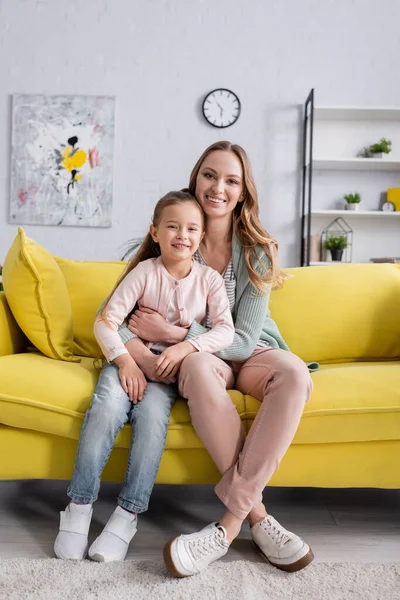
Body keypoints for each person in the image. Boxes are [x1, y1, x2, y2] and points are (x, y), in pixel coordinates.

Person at [120, 142, 316, 577]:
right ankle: (259, 518)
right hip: (202, 360)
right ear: (196, 178)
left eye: (231, 180)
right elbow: (123, 315)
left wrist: (175, 334)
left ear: (243, 191)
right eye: (210, 175)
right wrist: (138, 351)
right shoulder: (174, 232)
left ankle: (227, 527)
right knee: (194, 366)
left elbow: (244, 340)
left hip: (248, 348)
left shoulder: (258, 250)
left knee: (296, 375)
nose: (218, 188)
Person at [53, 191, 235, 563]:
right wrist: (125, 362)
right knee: (105, 410)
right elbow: (106, 322)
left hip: (166, 378)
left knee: (152, 422)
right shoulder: (144, 272)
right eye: (172, 227)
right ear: (155, 232)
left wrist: (186, 347)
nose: (181, 235)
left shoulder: (210, 280)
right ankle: (79, 506)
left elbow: (226, 332)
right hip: (128, 364)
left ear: (201, 237)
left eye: (191, 229)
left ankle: (126, 516)